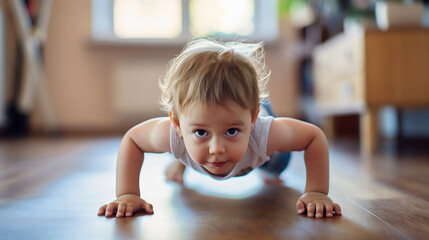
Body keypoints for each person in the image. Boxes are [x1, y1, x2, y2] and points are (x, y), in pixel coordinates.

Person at [98, 38, 342, 219]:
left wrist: (317, 192)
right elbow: (132, 139)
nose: (217, 149)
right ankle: (182, 159)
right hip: (211, 130)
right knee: (188, 149)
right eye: (201, 132)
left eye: (232, 131)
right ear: (177, 124)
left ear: (252, 120)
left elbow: (313, 136)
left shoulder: (265, 133)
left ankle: (247, 127)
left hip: (264, 150)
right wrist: (127, 194)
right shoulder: (170, 133)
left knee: (276, 169)